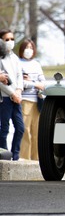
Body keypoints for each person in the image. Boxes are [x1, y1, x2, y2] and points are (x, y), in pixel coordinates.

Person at [18, 39, 46, 160]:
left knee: (36, 132)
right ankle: (24, 158)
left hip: (37, 101)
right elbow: (19, 83)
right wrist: (34, 84)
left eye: (31, 47)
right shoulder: (18, 63)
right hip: (24, 100)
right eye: (26, 47)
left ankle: (37, 159)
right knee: (25, 131)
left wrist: (31, 82)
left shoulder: (36, 64)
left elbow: (43, 83)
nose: (28, 50)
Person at [0, 29, 24, 161]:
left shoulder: (15, 58)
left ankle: (15, 156)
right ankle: (3, 156)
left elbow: (19, 76)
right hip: (5, 98)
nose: (10, 42)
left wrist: (19, 90)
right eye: (6, 39)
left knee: (20, 128)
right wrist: (12, 93)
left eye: (12, 39)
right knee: (4, 129)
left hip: (17, 97)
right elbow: (1, 82)